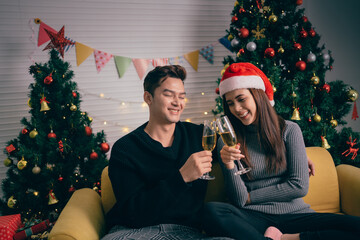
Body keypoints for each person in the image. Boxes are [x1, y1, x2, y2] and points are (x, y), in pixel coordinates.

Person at [202, 62, 360, 240]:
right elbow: (239, 200)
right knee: (211, 211)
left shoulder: (290, 130)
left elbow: (299, 186)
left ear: (258, 96)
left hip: (296, 214)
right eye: (230, 103)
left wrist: (250, 197)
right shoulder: (227, 139)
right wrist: (229, 165)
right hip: (253, 218)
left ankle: (288, 238)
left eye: (241, 99)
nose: (236, 109)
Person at [102, 65, 231, 240]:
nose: (177, 103)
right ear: (148, 98)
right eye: (169, 95)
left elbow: (238, 143)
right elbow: (133, 213)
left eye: (182, 97)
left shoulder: (199, 136)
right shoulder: (125, 149)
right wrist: (182, 177)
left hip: (184, 233)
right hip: (135, 232)